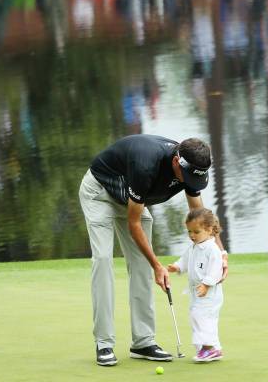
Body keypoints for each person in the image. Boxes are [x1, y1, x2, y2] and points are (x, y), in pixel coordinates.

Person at [78, 134, 228, 367]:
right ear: (177, 163)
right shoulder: (145, 163)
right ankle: (104, 343)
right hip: (100, 193)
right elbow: (133, 222)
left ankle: (143, 342)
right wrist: (158, 265)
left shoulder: (192, 169)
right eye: (187, 177)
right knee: (103, 259)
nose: (190, 182)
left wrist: (220, 253)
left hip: (130, 199)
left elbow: (201, 217)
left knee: (141, 265)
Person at [168, 208, 224, 363]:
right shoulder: (194, 247)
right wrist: (177, 267)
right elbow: (185, 260)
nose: (192, 235)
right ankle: (213, 348)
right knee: (198, 316)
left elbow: (215, 270)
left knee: (202, 317)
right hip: (196, 292)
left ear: (209, 230)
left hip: (209, 293)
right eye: (189, 232)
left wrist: (206, 284)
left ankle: (209, 349)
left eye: (196, 232)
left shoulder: (212, 250)